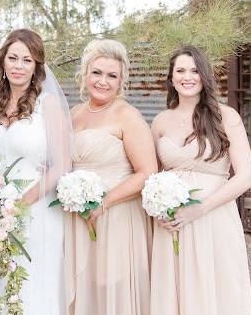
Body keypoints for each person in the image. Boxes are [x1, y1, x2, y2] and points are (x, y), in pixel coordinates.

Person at [150, 45, 251, 315]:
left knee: (219, 288)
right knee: (174, 290)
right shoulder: (161, 121)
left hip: (213, 218)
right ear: (172, 78)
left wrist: (199, 208)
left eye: (194, 70)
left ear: (204, 76)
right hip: (172, 223)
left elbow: (246, 177)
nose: (188, 76)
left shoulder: (225, 116)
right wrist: (158, 209)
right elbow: (153, 176)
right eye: (180, 70)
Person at [0, 29, 72, 314]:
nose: (19, 66)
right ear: (3, 62)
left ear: (37, 67)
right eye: (13, 58)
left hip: (38, 209)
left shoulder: (48, 104)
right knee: (2, 283)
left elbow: (62, 165)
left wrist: (20, 204)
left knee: (34, 284)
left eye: (27, 60)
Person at [64, 39, 155, 315]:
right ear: (85, 74)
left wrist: (104, 202)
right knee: (86, 286)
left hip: (116, 217)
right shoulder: (74, 114)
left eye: (111, 75)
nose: (103, 81)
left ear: (120, 81)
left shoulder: (128, 115)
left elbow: (147, 172)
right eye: (97, 73)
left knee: (113, 289)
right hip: (77, 217)